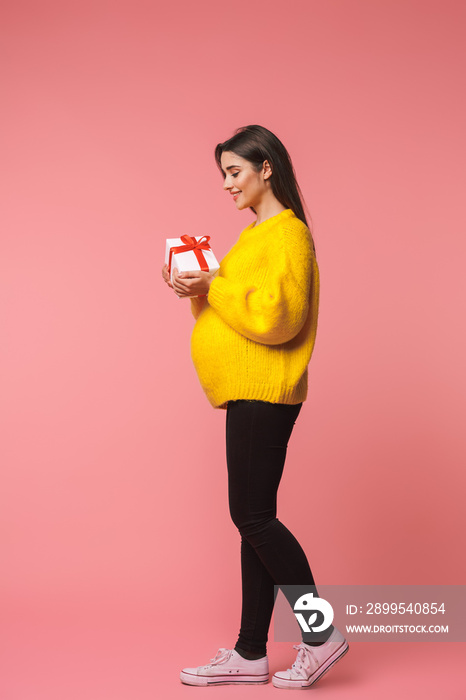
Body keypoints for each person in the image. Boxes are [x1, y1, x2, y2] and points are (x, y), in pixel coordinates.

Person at [162, 125, 349, 688]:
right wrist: (198, 287)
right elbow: (236, 317)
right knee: (252, 521)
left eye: (235, 171)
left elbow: (277, 320)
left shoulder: (288, 234)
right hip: (247, 389)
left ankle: (321, 633)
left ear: (266, 167)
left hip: (266, 390)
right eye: (223, 174)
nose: (226, 184)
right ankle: (249, 652)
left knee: (252, 516)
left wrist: (214, 284)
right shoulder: (252, 238)